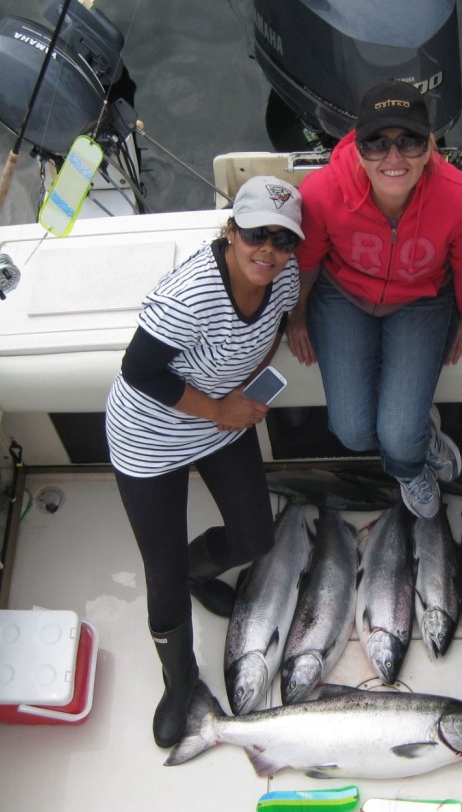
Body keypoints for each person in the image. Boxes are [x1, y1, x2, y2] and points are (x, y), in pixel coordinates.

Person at [105, 176, 304, 747]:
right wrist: (219, 409)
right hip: (150, 436)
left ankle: (200, 570)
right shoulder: (189, 296)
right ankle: (181, 680)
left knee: (255, 537)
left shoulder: (283, 276)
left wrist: (245, 390)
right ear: (230, 230)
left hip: (220, 419)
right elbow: (139, 372)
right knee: (159, 572)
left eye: (282, 239)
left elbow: (278, 323)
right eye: (254, 234)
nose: (267, 250)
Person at [286, 79, 462, 518]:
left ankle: (410, 463)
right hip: (342, 295)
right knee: (353, 432)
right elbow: (307, 264)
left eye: (409, 142)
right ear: (357, 146)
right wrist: (298, 317)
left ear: (430, 144)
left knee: (399, 435)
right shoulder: (321, 193)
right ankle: (416, 433)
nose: (393, 158)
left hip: (422, 299)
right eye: (377, 143)